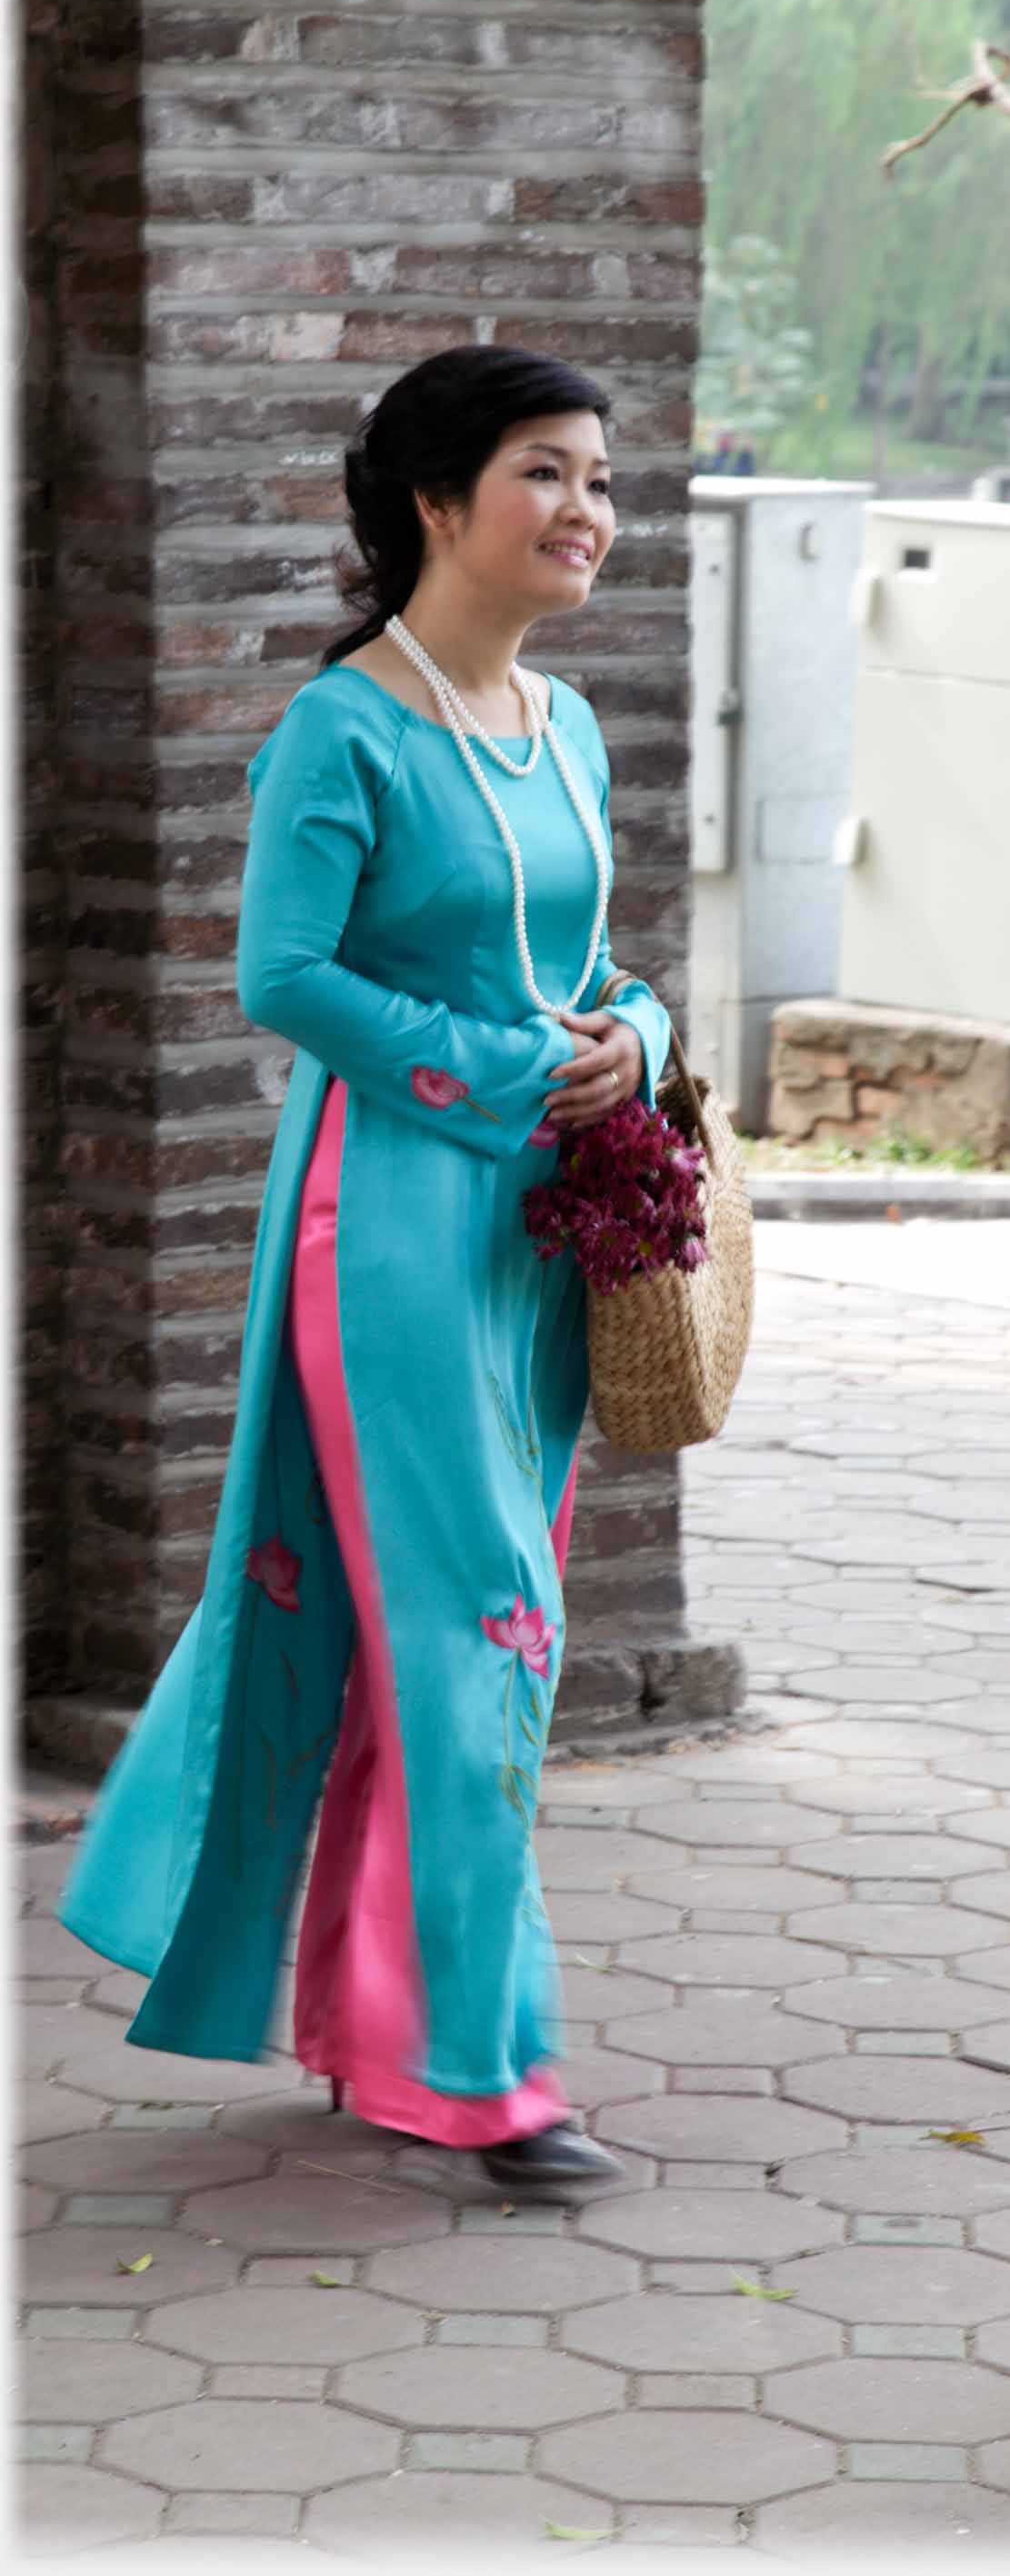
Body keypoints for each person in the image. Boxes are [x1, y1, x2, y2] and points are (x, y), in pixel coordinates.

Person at [59, 345, 672, 2186]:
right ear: (433, 498)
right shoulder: (346, 728)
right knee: (486, 1620)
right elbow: (284, 974)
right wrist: (507, 1073)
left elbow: (593, 956)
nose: (588, 512)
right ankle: (484, 2072)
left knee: (463, 1624)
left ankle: (369, 2014)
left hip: (544, 1235)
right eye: (547, 474)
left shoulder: (558, 727)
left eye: (601, 480)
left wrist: (631, 1036)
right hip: (391, 1222)